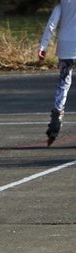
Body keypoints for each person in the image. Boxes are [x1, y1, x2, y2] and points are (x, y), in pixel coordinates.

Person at [39, 0, 76, 146]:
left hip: (66, 46)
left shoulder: (63, 1)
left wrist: (43, 45)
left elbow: (51, 24)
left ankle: (56, 116)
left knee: (64, 83)